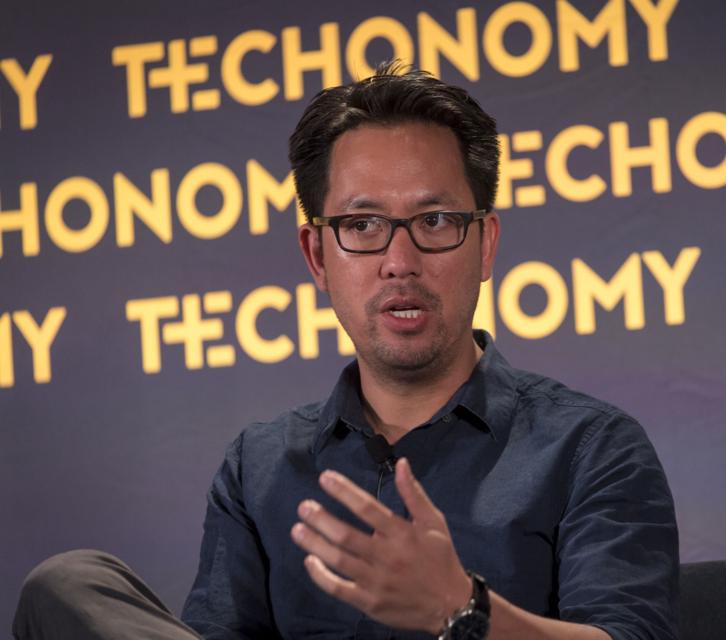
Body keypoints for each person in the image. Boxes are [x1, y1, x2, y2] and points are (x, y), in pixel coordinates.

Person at [13, 62, 678, 640]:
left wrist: (462, 611)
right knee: (70, 585)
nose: (399, 260)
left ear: (486, 245)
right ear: (317, 256)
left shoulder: (589, 447)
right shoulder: (260, 467)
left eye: (435, 221)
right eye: (362, 225)